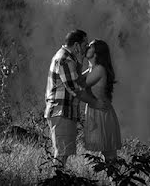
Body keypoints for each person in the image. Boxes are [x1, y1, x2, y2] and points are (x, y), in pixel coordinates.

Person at [44, 29, 104, 167]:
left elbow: (75, 81)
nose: (86, 48)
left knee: (63, 153)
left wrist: (88, 70)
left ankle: (58, 179)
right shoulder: (65, 60)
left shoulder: (69, 59)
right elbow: (76, 89)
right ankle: (56, 180)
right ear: (77, 45)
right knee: (61, 153)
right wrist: (96, 103)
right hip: (60, 112)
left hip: (64, 112)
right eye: (85, 45)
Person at [81, 39, 123, 160]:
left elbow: (78, 86)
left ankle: (116, 178)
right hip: (97, 111)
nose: (86, 48)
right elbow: (75, 80)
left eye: (90, 47)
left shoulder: (99, 69)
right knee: (107, 154)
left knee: (109, 154)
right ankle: (114, 178)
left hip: (102, 113)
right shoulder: (92, 69)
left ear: (97, 52)